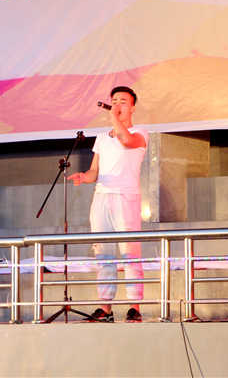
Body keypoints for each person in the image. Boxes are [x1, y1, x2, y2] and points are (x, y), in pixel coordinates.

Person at [68, 86, 148, 323]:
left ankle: (134, 306)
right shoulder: (102, 138)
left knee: (130, 252)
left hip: (125, 196)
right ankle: (105, 307)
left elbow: (126, 141)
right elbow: (95, 170)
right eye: (114, 101)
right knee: (103, 252)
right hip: (101, 197)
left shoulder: (140, 132)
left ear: (132, 107)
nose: (117, 105)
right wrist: (84, 177)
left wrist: (114, 118)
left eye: (123, 101)